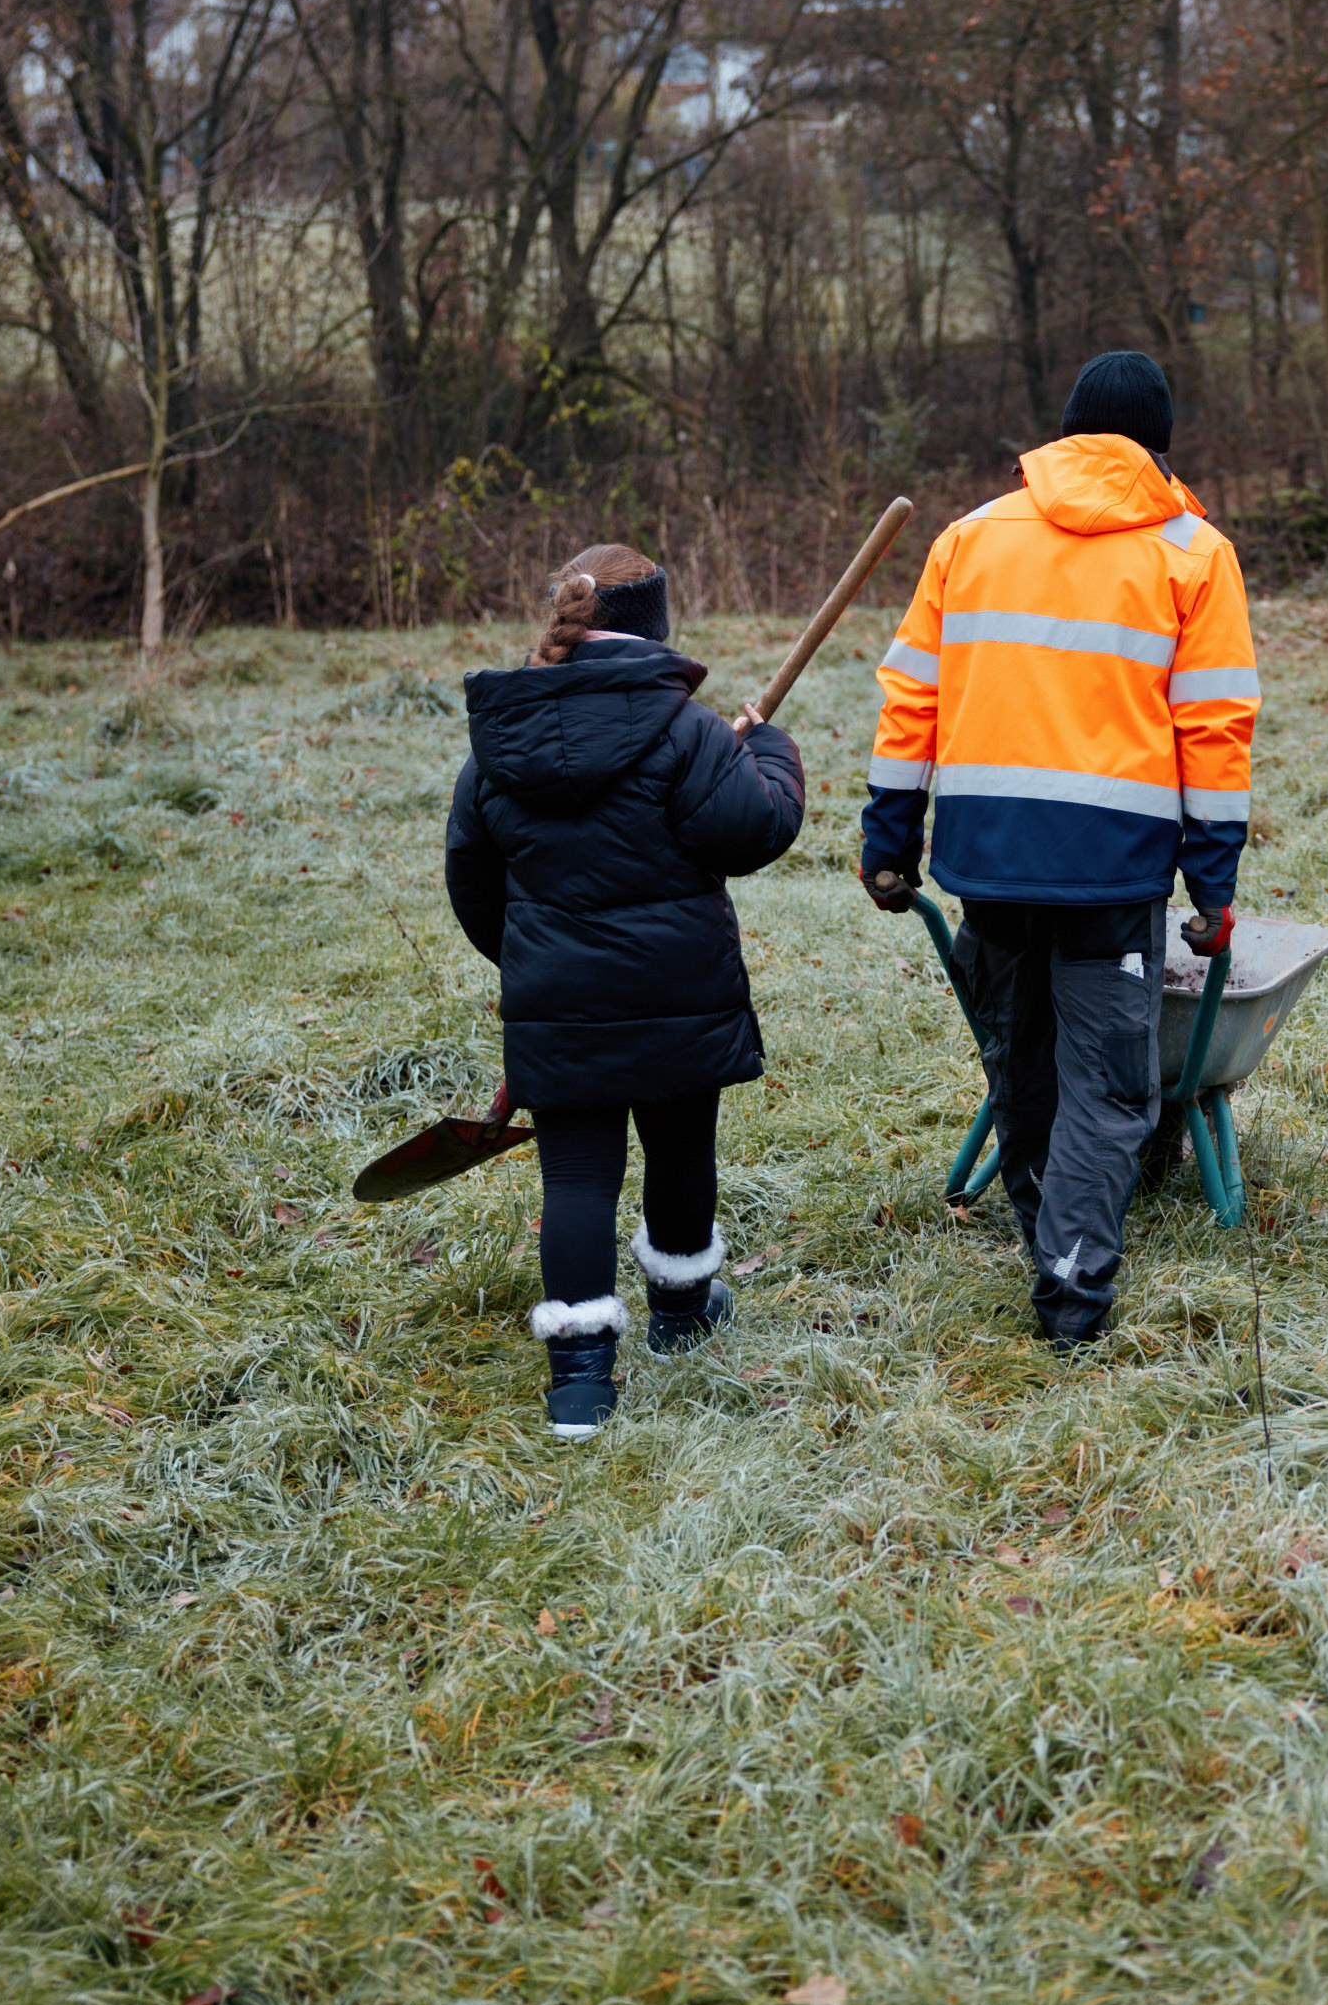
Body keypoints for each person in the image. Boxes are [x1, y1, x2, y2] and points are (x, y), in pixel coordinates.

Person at [857, 351, 1258, 1343]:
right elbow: (1214, 727)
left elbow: (911, 700)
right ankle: (1073, 1283)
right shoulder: (1192, 551)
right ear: (1157, 445)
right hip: (1111, 873)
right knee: (1114, 1084)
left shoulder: (968, 538)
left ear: (1066, 434)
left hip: (988, 860)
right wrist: (1211, 883)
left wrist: (889, 837)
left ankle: (1049, 1238)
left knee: (1023, 1062)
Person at [444, 542, 804, 1436]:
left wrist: (529, 960)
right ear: (654, 629)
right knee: (681, 1151)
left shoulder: (500, 739)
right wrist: (773, 754)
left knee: (574, 1177)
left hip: (557, 1002)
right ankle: (679, 1317)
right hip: (678, 990)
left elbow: (471, 881)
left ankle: (578, 1385)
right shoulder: (687, 732)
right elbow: (755, 831)